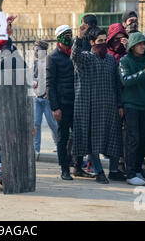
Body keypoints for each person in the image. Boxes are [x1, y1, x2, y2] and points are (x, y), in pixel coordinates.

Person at [71, 25, 125, 184]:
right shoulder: (85, 58)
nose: (102, 43)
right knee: (93, 140)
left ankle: (114, 171)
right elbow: (75, 55)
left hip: (109, 106)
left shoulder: (110, 59)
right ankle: (99, 171)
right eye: (99, 41)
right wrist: (79, 38)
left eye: (104, 40)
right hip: (90, 107)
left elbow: (116, 83)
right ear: (92, 42)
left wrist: (120, 104)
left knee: (114, 138)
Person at [47, 25, 91, 180]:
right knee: (63, 137)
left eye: (70, 34)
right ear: (59, 37)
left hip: (78, 102)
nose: (68, 37)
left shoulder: (75, 53)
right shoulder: (53, 57)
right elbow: (50, 84)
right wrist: (55, 107)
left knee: (79, 136)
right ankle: (64, 169)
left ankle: (78, 167)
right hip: (63, 104)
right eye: (65, 35)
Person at [119, 32, 145, 186]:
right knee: (132, 139)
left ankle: (138, 169)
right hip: (131, 105)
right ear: (132, 46)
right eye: (139, 44)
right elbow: (126, 80)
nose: (143, 46)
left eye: (144, 44)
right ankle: (130, 173)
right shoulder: (125, 60)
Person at [33, 40, 58, 159]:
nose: (35, 52)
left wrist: (50, 92)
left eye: (38, 50)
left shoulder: (50, 61)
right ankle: (35, 149)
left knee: (52, 123)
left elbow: (53, 79)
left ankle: (59, 144)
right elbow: (32, 78)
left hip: (47, 98)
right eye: (35, 50)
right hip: (37, 98)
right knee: (35, 123)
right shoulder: (35, 63)